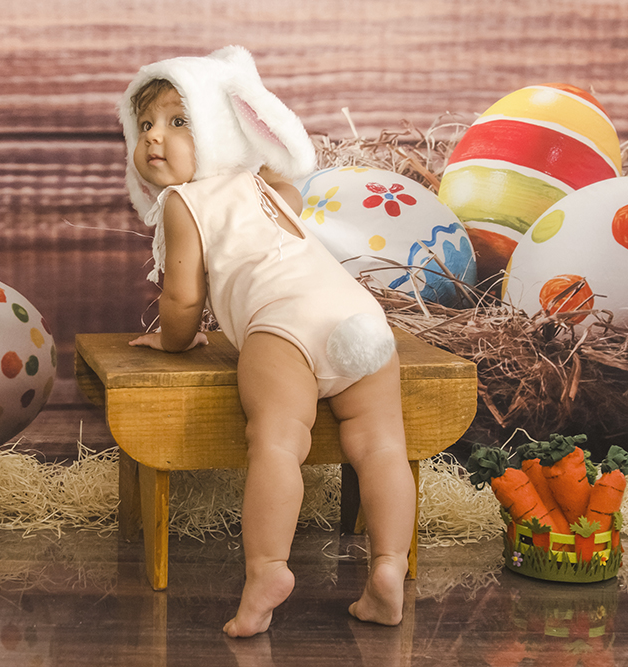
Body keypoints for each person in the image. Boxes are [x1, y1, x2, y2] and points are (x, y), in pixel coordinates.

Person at [119, 46, 417, 638]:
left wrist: (177, 344)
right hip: (360, 317)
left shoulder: (183, 202)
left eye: (180, 122)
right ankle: (388, 567)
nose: (155, 138)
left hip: (284, 325)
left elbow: (182, 300)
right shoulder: (263, 183)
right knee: (382, 445)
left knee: (278, 443)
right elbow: (294, 196)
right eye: (145, 125)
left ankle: (268, 571)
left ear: (223, 131)